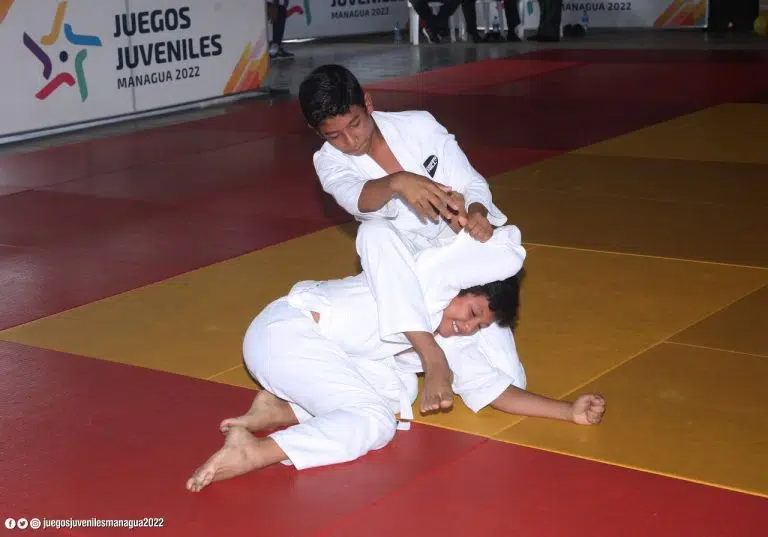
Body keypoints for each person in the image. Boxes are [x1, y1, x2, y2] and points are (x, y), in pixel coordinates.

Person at [186, 223, 607, 492]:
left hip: (309, 357)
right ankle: (259, 452)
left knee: (399, 390)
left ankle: (282, 408)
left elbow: (496, 391)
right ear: (459, 288)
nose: (468, 327)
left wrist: (568, 410)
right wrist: (477, 213)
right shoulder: (422, 282)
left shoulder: (452, 341)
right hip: (286, 333)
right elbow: (378, 230)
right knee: (374, 422)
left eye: (479, 326)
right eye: (472, 311)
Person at [298, 64, 508, 417]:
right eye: (334, 136)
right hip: (406, 271)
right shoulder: (328, 162)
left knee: (508, 376)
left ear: (368, 103)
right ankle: (430, 355)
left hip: (462, 258)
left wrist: (477, 212)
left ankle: (414, 355)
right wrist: (398, 181)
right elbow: (357, 199)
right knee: (373, 232)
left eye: (355, 124)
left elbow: (471, 182)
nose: (351, 141)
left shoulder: (419, 125)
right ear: (317, 133)